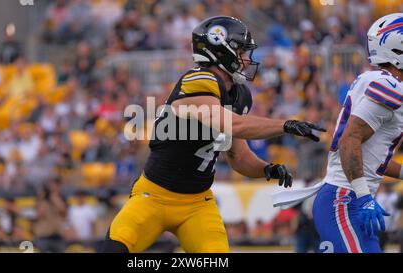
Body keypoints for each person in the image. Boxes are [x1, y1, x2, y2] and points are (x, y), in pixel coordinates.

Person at [101, 16, 325, 253]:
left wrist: (267, 169)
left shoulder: (240, 95)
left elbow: (238, 157)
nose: (247, 59)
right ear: (220, 51)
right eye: (241, 51)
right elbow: (231, 124)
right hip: (154, 195)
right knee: (114, 249)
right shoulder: (199, 80)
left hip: (197, 203)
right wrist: (286, 125)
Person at [311, 13, 403, 253]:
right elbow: (349, 141)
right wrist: (363, 196)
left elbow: (373, 156)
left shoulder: (382, 82)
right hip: (345, 200)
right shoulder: (388, 86)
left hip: (347, 199)